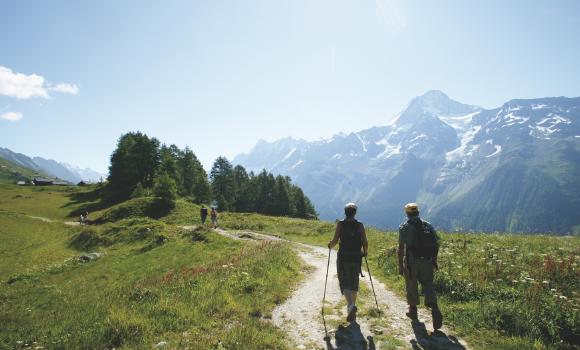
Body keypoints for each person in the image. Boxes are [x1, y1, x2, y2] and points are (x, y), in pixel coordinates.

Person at [398, 203, 443, 330]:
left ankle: (413, 310)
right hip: (428, 261)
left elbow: (401, 248)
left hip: (412, 262)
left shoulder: (404, 227)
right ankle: (434, 308)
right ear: (418, 212)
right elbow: (436, 243)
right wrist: (434, 259)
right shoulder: (428, 225)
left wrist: (400, 265)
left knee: (411, 285)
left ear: (407, 214)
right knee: (428, 284)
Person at [328, 202, 368, 323]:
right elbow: (365, 242)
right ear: (354, 213)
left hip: (343, 258)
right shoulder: (360, 225)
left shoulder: (341, 224)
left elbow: (335, 241)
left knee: (344, 281)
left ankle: (350, 305)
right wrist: (365, 252)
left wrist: (330, 245)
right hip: (356, 258)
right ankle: (352, 308)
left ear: (345, 212)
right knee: (354, 282)